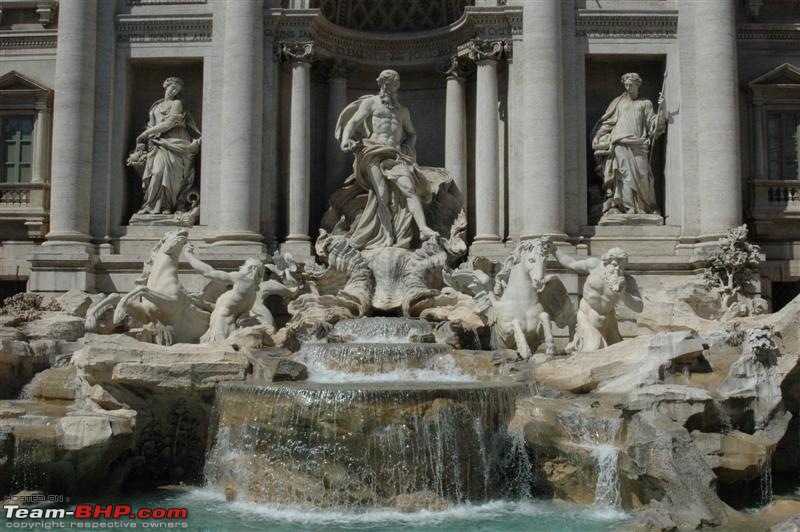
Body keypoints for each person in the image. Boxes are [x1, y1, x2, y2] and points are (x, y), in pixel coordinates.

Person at [336, 69, 438, 249]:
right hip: (373, 150)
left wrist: (408, 148)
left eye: (394, 84)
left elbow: (411, 133)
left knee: (409, 189)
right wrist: (345, 139)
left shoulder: (402, 110)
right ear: (381, 84)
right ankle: (387, 237)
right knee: (381, 194)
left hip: (396, 154)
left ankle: (423, 229)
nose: (391, 87)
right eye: (388, 84)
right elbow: (353, 122)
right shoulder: (371, 103)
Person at [592, 72, 666, 221]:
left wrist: (662, 109)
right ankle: (628, 208)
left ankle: (644, 207)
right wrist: (599, 136)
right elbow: (607, 122)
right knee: (623, 176)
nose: (627, 86)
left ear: (638, 84)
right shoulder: (617, 102)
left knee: (643, 175)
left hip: (639, 143)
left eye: (631, 84)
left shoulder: (646, 103)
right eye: (625, 84)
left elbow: (653, 124)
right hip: (619, 142)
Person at [130, 77, 201, 215]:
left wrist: (145, 133)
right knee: (155, 173)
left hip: (174, 141)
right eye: (172, 87)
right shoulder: (156, 106)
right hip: (157, 143)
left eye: (177, 89)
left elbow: (168, 123)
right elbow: (152, 124)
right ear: (165, 86)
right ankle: (150, 206)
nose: (174, 91)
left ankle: (167, 206)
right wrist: (147, 137)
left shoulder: (177, 103)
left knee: (169, 176)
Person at [554, 247, 643, 352]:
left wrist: (622, 294)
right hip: (585, 316)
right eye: (611, 260)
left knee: (616, 352)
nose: (615, 264)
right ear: (606, 260)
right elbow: (571, 263)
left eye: (620, 261)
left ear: (625, 264)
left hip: (608, 322)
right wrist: (554, 250)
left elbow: (639, 307)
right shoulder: (594, 265)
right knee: (592, 350)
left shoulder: (628, 281)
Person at [184, 245, 264, 344]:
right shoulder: (252, 294)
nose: (240, 268)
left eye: (244, 266)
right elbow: (228, 308)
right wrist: (203, 303)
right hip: (226, 328)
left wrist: (188, 255)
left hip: (220, 329)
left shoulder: (241, 279)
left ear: (252, 269)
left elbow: (208, 272)